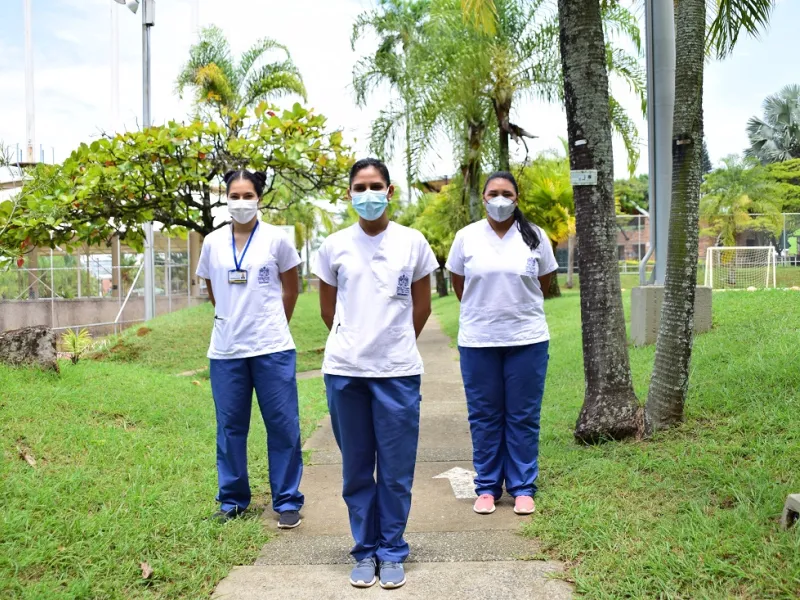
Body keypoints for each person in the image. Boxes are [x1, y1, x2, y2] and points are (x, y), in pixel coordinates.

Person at [313, 158, 439, 589]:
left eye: (375, 186)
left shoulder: (412, 242)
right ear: (349, 193)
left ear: (389, 191)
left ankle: (392, 549)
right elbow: (328, 310)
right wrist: (355, 343)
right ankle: (364, 550)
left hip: (398, 373)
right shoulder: (334, 246)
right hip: (345, 372)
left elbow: (422, 306)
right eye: (360, 187)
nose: (368, 194)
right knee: (356, 469)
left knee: (396, 471)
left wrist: (394, 344)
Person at [196, 169, 305, 529]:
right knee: (230, 428)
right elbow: (213, 289)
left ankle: (287, 500)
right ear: (226, 199)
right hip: (227, 350)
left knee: (283, 425)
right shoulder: (212, 242)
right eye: (234, 196)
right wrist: (231, 318)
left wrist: (272, 323)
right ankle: (232, 501)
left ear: (259, 198)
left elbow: (291, 288)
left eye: (248, 195)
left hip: (272, 348)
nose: (241, 202)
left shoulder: (277, 239)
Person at [445, 171, 557, 517]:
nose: (500, 199)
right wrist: (485, 312)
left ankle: (523, 488)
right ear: (483, 198)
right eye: (493, 193)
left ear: (517, 198)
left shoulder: (535, 236)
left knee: (523, 416)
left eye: (507, 193)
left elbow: (544, 282)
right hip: (479, 341)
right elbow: (459, 283)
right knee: (484, 416)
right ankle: (488, 487)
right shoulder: (466, 237)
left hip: (527, 339)